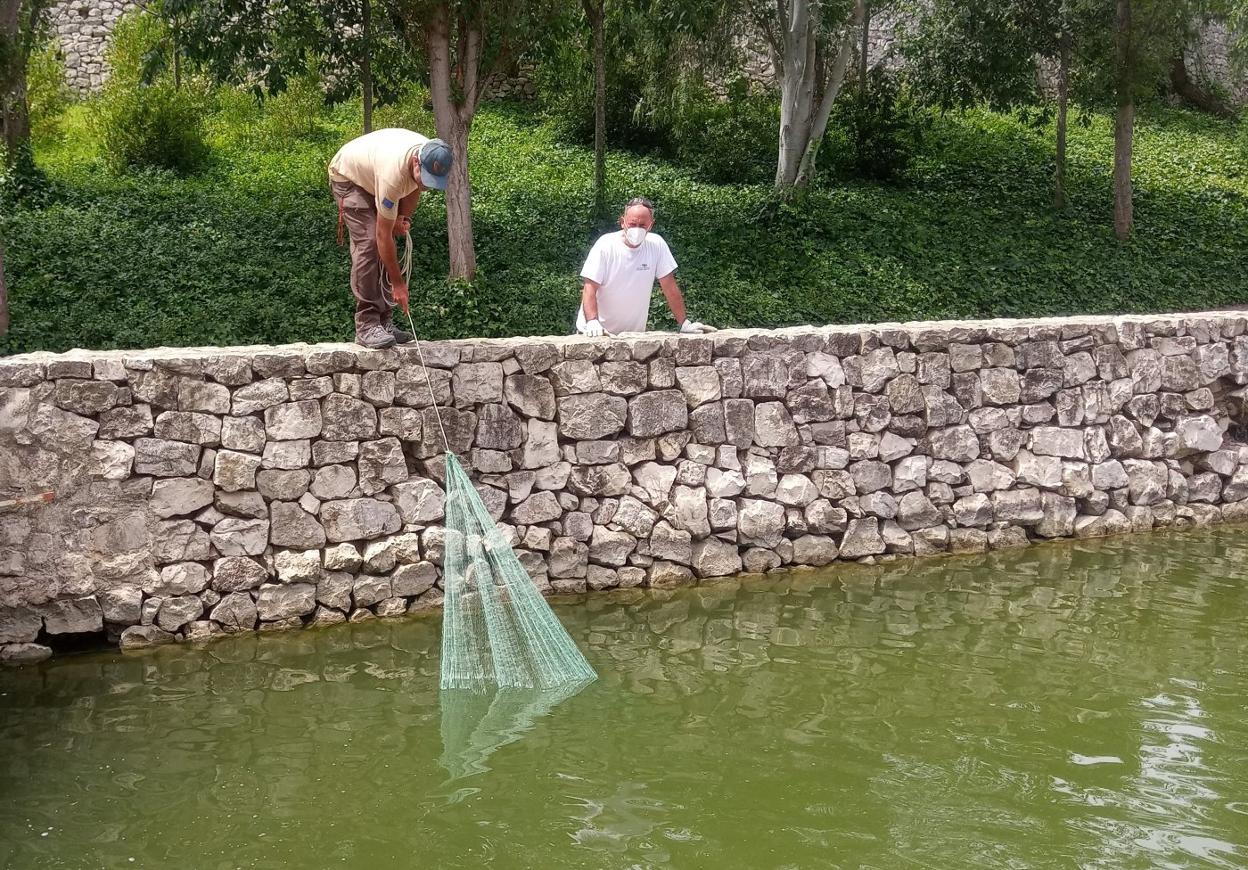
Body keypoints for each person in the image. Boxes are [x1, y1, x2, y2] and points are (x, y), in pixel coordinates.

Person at [329, 128, 453, 349]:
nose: (426, 185)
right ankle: (367, 324)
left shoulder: (431, 153)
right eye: (425, 178)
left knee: (386, 244)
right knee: (370, 243)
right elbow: (382, 235)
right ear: (416, 161)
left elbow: (415, 187)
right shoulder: (392, 176)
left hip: (375, 173)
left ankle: (384, 321)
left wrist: (402, 217)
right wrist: (398, 284)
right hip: (349, 178)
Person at [575, 197, 714, 337]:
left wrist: (684, 323)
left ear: (651, 225)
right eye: (632, 224)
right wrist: (592, 321)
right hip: (596, 332)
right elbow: (589, 287)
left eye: (642, 225)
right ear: (622, 222)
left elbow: (669, 287)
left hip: (633, 336)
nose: (637, 229)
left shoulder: (656, 245)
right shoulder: (605, 245)